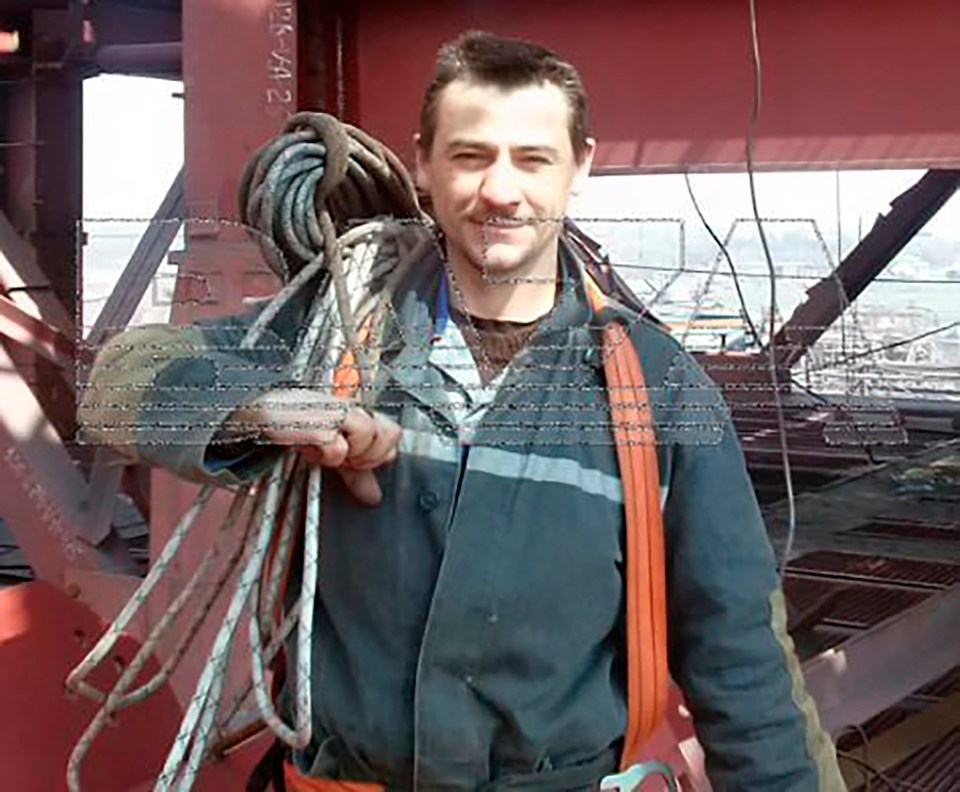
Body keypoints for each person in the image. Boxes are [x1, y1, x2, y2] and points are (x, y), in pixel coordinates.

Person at [80, 31, 845, 791]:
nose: (501, 190)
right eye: (471, 156)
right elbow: (119, 379)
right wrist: (265, 409)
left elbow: (741, 661)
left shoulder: (660, 391)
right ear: (424, 162)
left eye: (532, 159)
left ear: (581, 165)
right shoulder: (334, 333)